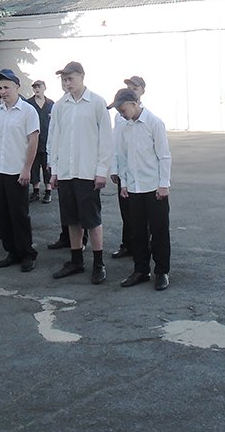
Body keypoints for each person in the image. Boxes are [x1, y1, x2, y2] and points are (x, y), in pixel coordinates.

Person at [48, 61, 113, 285]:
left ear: (82, 76)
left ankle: (98, 263)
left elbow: (106, 139)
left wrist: (102, 171)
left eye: (70, 79)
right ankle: (76, 261)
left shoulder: (96, 103)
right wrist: (54, 170)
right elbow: (54, 138)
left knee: (92, 220)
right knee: (71, 219)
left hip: (87, 172)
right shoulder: (60, 106)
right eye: (64, 80)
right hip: (66, 172)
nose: (67, 83)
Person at [111, 87, 172, 290]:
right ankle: (141, 270)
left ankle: (161, 272)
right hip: (134, 188)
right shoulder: (125, 127)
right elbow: (123, 156)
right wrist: (124, 184)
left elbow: (164, 156)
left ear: (134, 103)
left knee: (159, 231)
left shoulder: (154, 123)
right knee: (137, 232)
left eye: (122, 109)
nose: (121, 114)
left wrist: (163, 185)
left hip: (154, 188)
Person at [0, 69, 40, 272]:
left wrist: (27, 169)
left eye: (6, 87)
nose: (2, 91)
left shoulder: (28, 111)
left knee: (19, 214)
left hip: (17, 171)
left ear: (17, 87)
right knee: (4, 214)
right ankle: (12, 252)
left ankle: (27, 253)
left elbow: (33, 141)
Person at [111, 75, 147, 260]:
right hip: (124, 171)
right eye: (129, 87)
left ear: (142, 91)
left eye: (135, 88)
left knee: (142, 214)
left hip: (142, 173)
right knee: (126, 210)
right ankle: (127, 245)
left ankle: (143, 246)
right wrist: (114, 168)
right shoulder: (119, 116)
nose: (132, 90)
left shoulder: (147, 116)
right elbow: (115, 143)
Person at [23, 79, 53, 203]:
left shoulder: (51, 104)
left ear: (44, 87)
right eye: (34, 87)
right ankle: (35, 191)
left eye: (39, 86)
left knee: (47, 167)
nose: (36, 89)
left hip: (47, 141)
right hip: (33, 140)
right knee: (34, 166)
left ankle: (48, 191)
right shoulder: (28, 103)